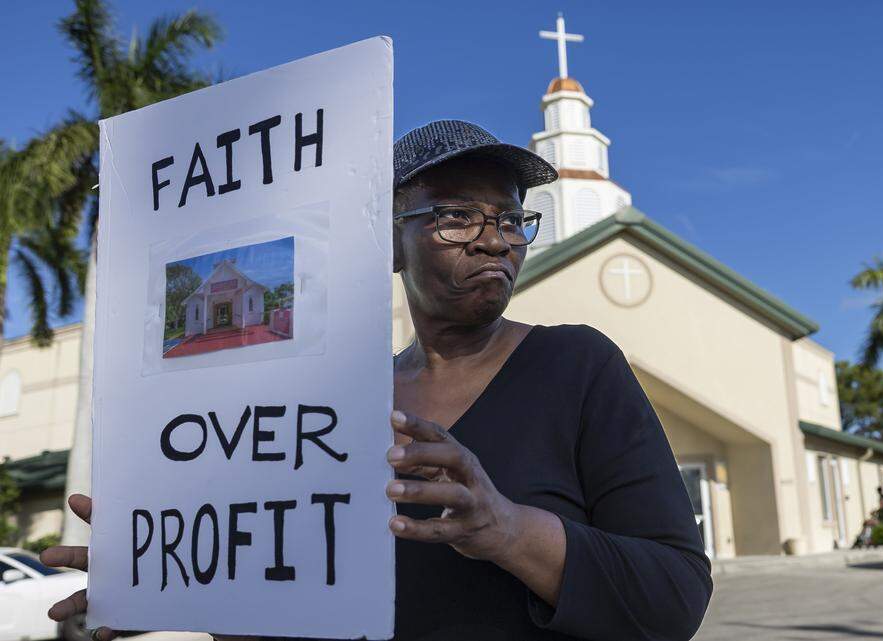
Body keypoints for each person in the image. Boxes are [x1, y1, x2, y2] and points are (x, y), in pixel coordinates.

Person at [42, 120, 713, 641]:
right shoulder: (328, 409)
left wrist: (507, 529)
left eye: (510, 217)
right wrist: (183, 589)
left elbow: (675, 597)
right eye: (455, 215)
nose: (495, 239)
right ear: (389, 242)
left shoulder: (579, 367)